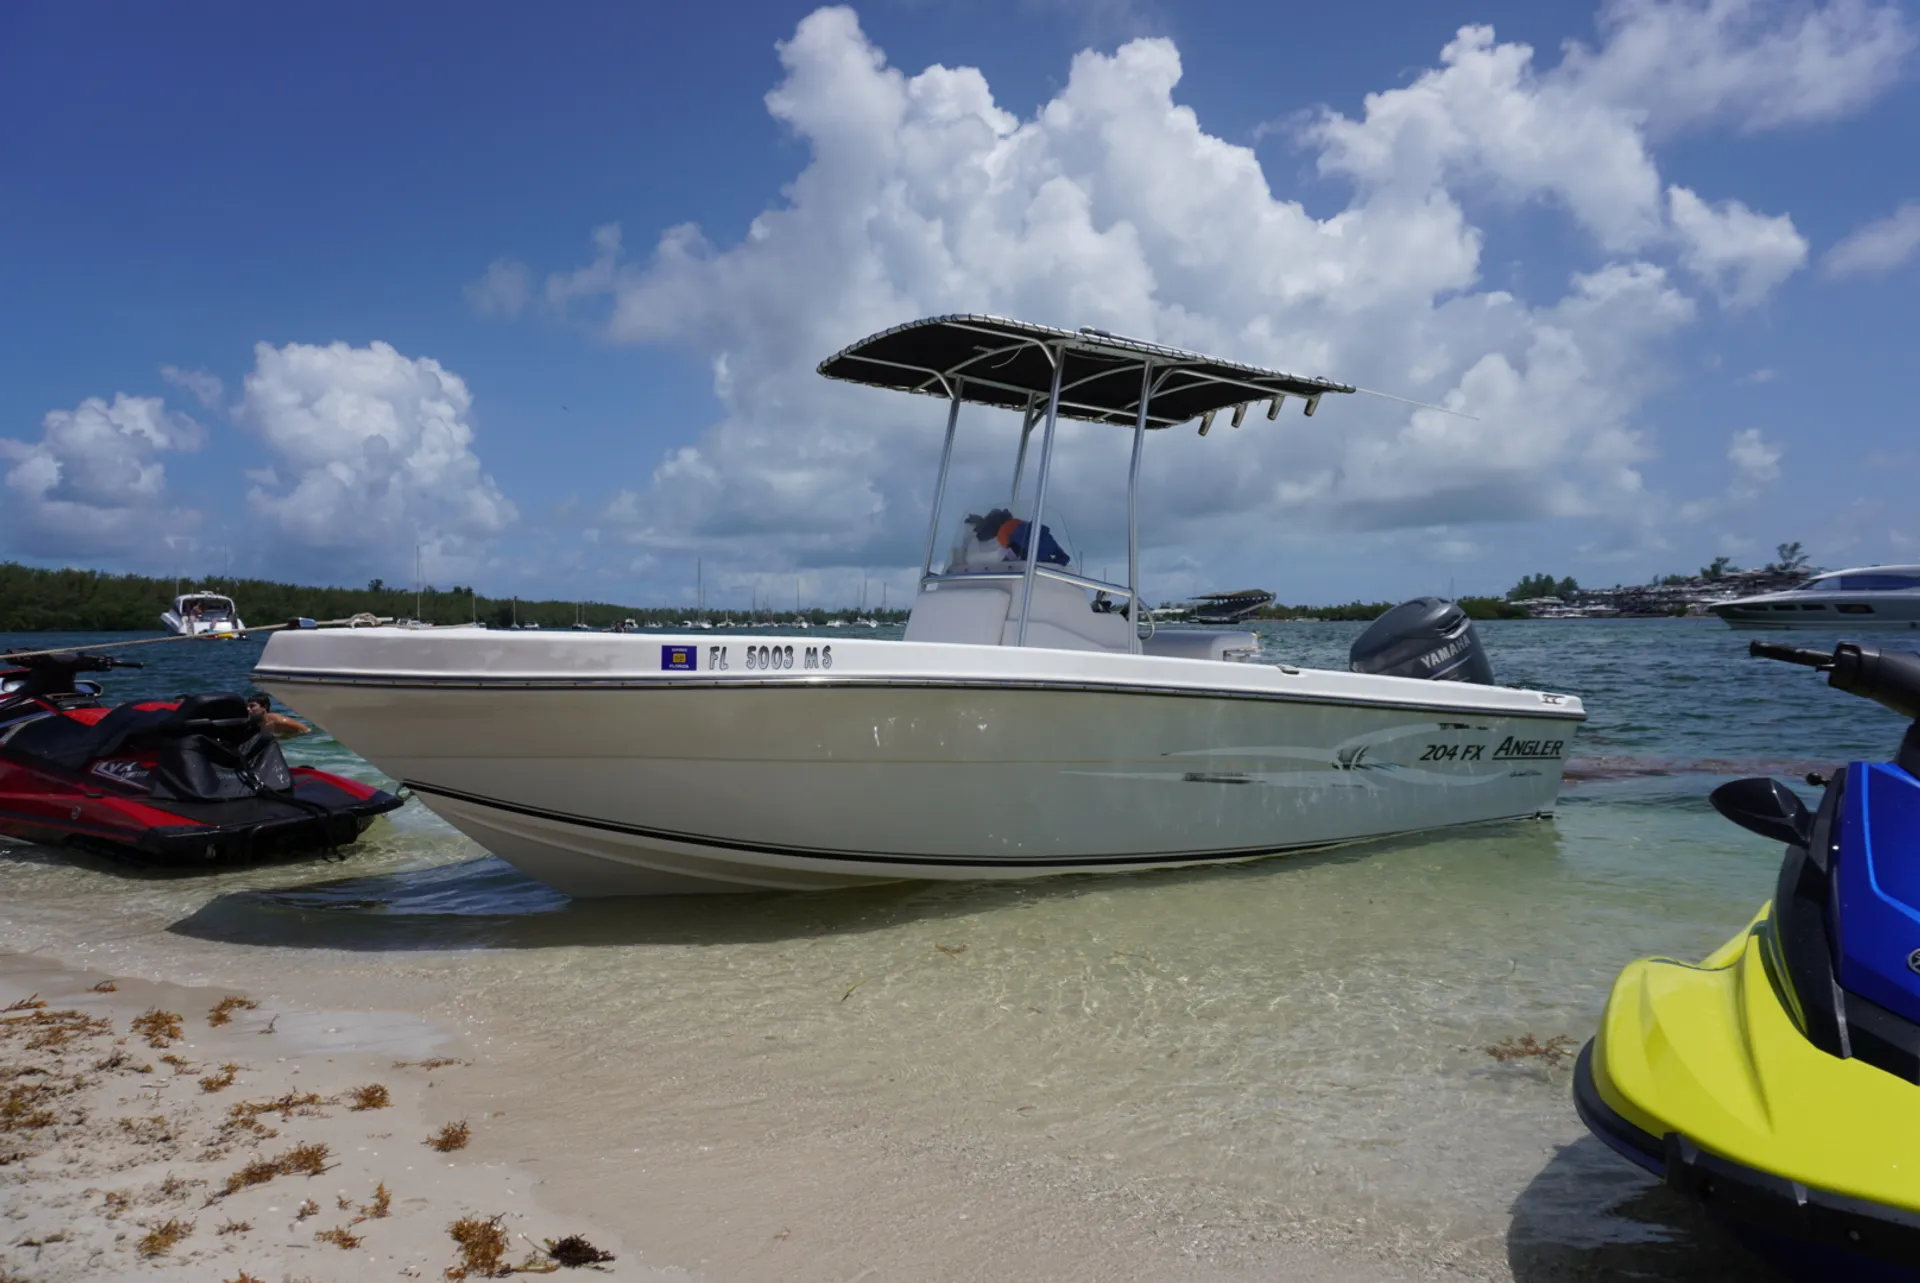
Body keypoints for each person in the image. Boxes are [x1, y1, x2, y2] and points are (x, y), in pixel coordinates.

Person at [245, 693, 311, 739]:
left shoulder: (280, 722)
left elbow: (307, 731)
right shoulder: (252, 722)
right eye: (247, 706)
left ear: (265, 707)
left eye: (252, 706)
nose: (248, 709)